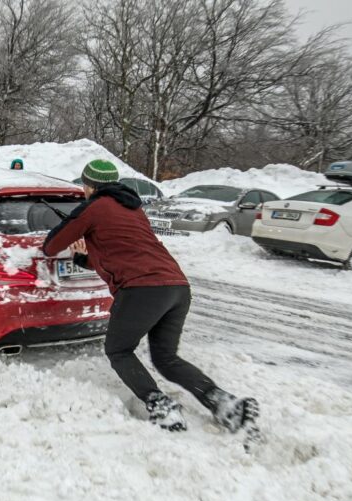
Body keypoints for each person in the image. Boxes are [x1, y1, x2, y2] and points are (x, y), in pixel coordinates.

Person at [42, 159, 260, 441]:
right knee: (165, 358)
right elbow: (122, 253)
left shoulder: (94, 207)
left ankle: (159, 403)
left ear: (88, 185)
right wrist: (82, 257)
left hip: (142, 290)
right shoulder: (133, 210)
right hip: (176, 287)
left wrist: (72, 237)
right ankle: (224, 403)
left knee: (118, 350)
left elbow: (51, 245)